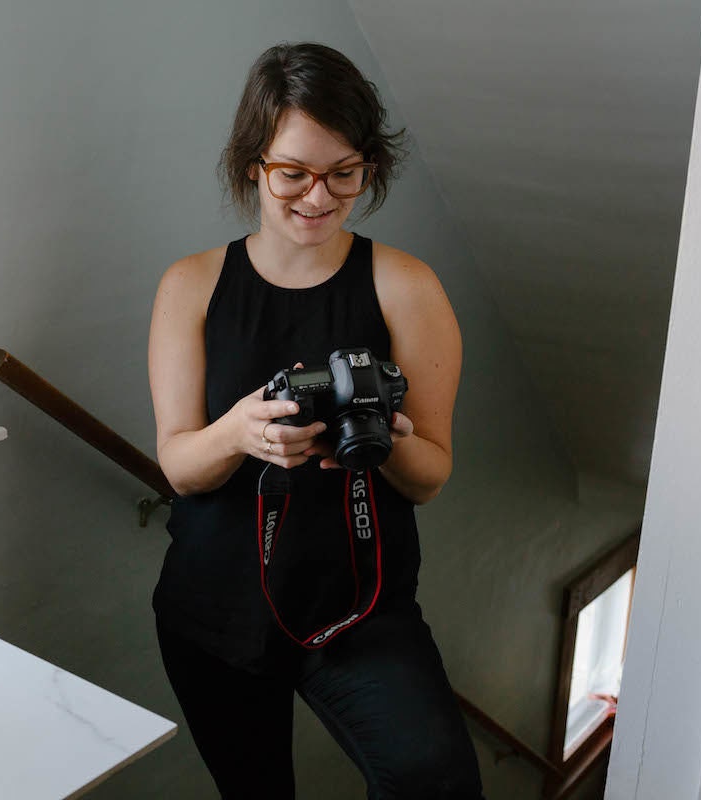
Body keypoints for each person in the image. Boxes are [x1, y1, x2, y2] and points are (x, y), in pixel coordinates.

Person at [147, 42, 484, 799]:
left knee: (436, 781)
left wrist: (387, 445)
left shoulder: (406, 286)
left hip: (362, 606)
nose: (317, 198)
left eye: (343, 174)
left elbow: (431, 476)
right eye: (291, 173)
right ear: (252, 165)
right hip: (215, 609)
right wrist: (239, 432)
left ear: (369, 166)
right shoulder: (192, 287)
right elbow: (177, 463)